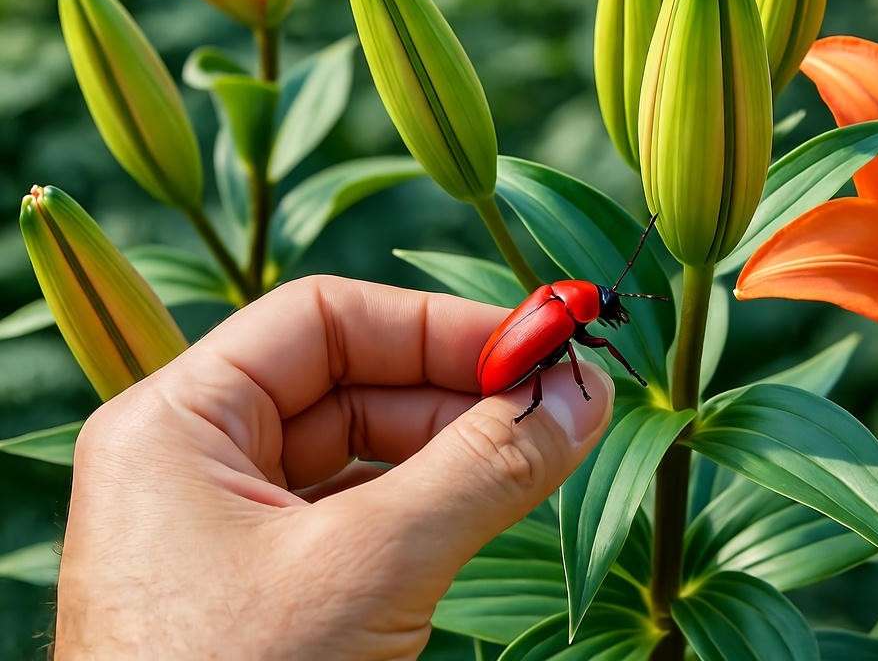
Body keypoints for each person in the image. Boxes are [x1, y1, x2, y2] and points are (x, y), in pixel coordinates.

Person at [52, 275, 614, 658]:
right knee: (555, 373)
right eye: (607, 309)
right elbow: (563, 351)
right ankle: (540, 407)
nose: (608, 318)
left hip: (499, 359)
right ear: (589, 308)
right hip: (505, 374)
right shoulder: (564, 321)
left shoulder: (552, 300)